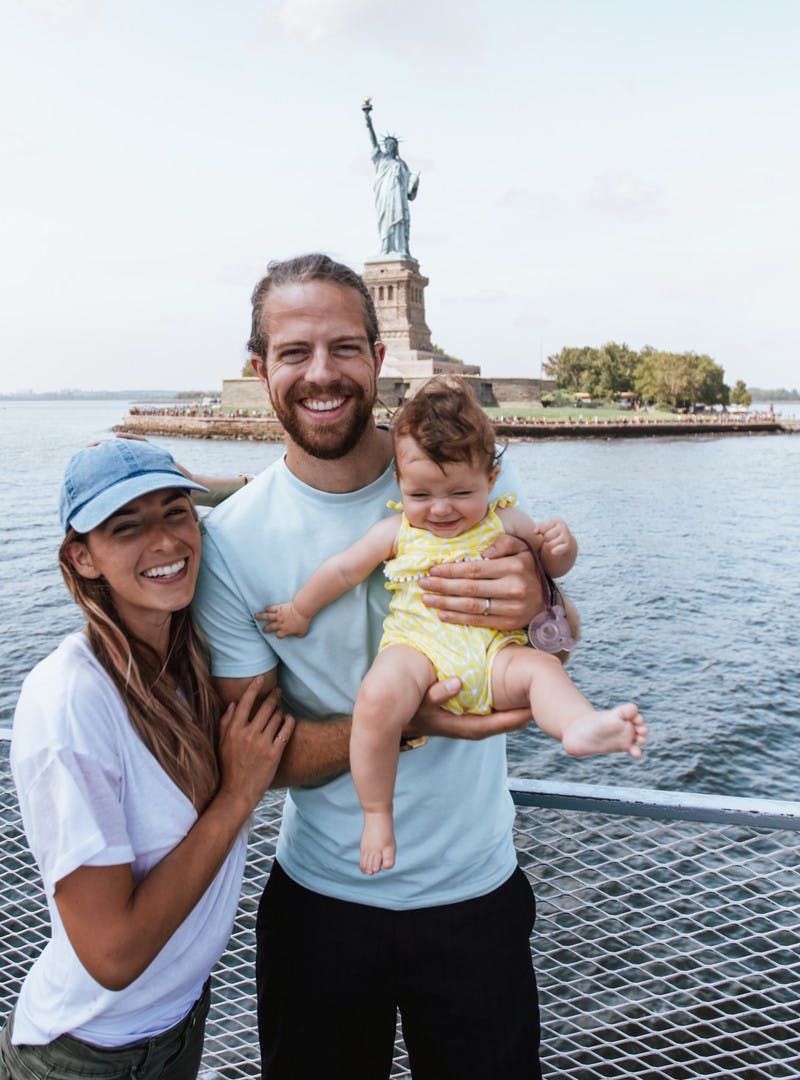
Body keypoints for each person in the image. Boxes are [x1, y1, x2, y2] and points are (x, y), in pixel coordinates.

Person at [191, 252, 574, 1080]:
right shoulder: (229, 546)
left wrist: (544, 602)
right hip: (320, 908)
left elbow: (559, 640)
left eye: (343, 348)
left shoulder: (453, 484)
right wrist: (412, 725)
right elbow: (261, 754)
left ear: (378, 356)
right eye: (294, 353)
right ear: (259, 370)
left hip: (479, 898)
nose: (320, 374)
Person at [259, 376, 647, 875]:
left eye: (460, 492)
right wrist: (300, 610)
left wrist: (560, 547)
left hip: (494, 653)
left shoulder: (505, 520)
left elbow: (552, 570)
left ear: (492, 478)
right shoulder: (397, 530)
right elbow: (342, 570)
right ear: (399, 482)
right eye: (421, 493)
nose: (440, 508)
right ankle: (377, 814)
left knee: (541, 673)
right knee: (376, 700)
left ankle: (579, 726)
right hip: (417, 650)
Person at [0, 438, 293, 1080]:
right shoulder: (70, 700)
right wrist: (236, 798)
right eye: (126, 526)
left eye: (175, 512)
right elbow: (112, 954)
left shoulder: (183, 659)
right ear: (83, 557)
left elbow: (267, 501)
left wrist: (196, 483)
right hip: (88, 1054)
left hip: (178, 1023)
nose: (164, 543)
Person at [363, 99, 419, 258]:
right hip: (384, 196)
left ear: (396, 147)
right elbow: (372, 139)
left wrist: (415, 183)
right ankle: (386, 249)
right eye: (387, 145)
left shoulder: (402, 164)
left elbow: (410, 193)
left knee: (399, 222)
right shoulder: (380, 158)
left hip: (399, 199)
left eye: (392, 145)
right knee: (386, 223)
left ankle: (399, 249)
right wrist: (368, 119)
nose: (389, 147)